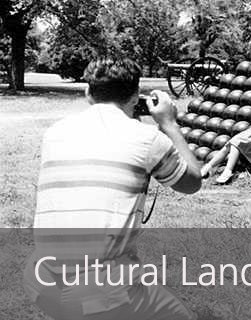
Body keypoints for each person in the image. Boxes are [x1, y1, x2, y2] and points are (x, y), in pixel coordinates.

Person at [24, 57, 201, 320]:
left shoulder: (55, 132)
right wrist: (168, 124)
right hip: (98, 289)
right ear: (134, 97)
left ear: (87, 93)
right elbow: (192, 181)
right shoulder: (147, 139)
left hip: (40, 279)